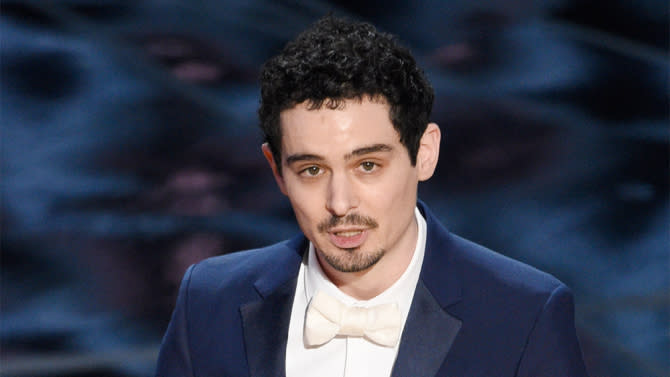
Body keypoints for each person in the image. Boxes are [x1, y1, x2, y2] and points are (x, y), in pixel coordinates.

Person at [155, 16, 588, 377]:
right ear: (276, 171)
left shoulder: (525, 315)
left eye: (367, 166)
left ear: (424, 153)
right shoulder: (209, 300)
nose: (340, 203)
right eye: (312, 170)